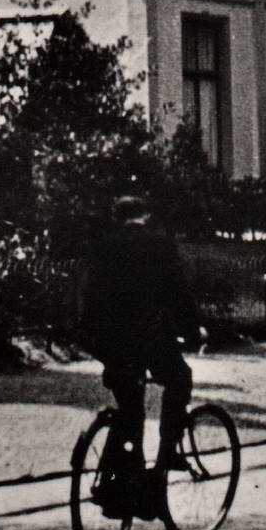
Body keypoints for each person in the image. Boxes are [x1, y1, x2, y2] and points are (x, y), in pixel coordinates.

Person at [78, 195, 201, 512]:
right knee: (179, 378)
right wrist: (192, 330)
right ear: (144, 216)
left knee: (130, 409)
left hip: (111, 342)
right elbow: (177, 293)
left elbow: (88, 297)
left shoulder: (102, 247)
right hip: (148, 338)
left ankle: (115, 482)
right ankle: (165, 457)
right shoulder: (159, 246)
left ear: (115, 218)